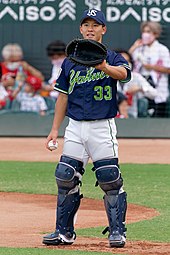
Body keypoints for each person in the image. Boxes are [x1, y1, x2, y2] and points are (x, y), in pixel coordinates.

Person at [42, 9, 131, 248]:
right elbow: (62, 97)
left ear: (104, 29)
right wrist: (54, 129)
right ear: (81, 29)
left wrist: (104, 67)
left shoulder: (112, 57)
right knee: (65, 176)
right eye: (86, 24)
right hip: (75, 126)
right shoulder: (70, 61)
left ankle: (117, 233)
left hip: (102, 126)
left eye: (95, 24)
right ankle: (64, 233)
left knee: (109, 178)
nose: (90, 28)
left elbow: (124, 74)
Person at [129, 21, 170, 117]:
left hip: (157, 87)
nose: (145, 34)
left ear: (155, 34)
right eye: (144, 31)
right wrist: (134, 46)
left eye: (148, 32)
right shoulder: (139, 48)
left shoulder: (162, 49)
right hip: (140, 87)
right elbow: (127, 59)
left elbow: (168, 69)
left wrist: (150, 67)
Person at [116, 49, 157, 118]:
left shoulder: (136, 77)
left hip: (132, 116)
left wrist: (140, 88)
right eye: (121, 61)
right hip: (112, 116)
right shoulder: (107, 77)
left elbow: (154, 94)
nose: (123, 64)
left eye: (127, 61)